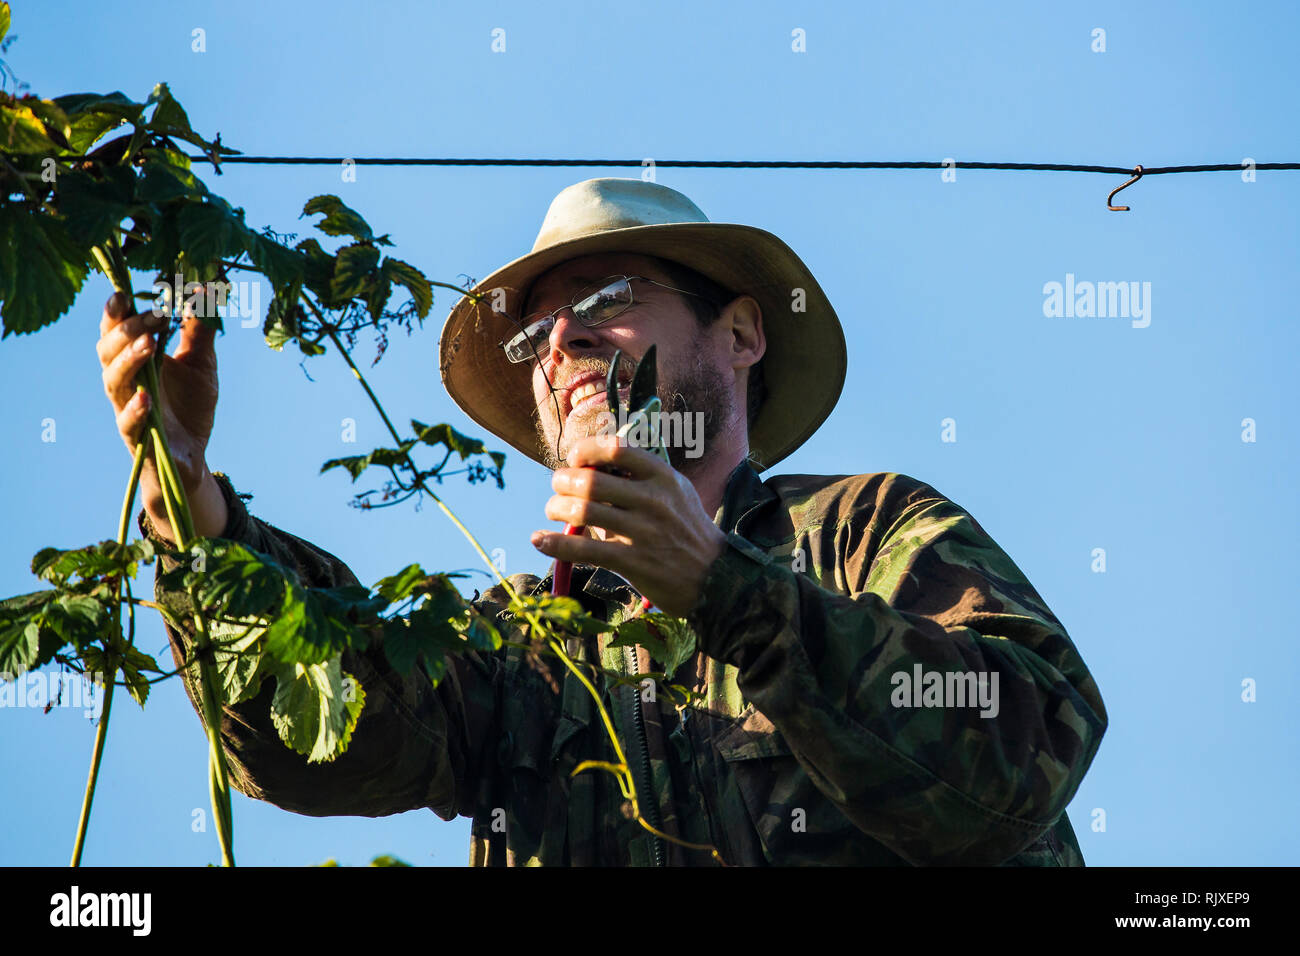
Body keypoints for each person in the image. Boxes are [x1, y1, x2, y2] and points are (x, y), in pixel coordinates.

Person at [96, 177, 1107, 866]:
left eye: (609, 295)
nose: (563, 338)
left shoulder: (864, 531)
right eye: (536, 329)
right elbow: (312, 743)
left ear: (741, 331)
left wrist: (731, 595)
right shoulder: (521, 647)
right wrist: (189, 506)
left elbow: (1029, 750)